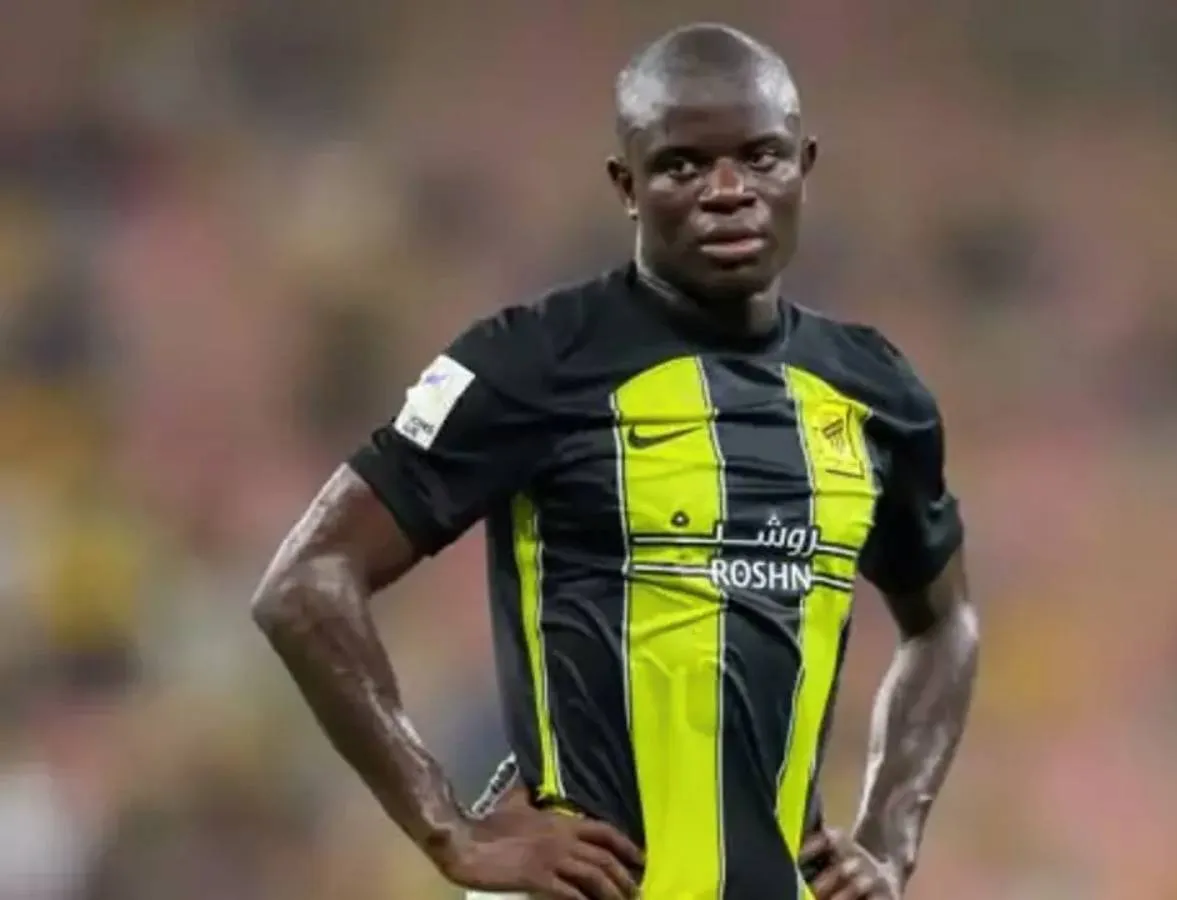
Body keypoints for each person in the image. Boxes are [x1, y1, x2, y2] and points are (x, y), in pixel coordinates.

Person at [250, 22, 979, 900]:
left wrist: (889, 839)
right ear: (625, 185)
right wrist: (450, 829)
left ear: (804, 166)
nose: (727, 192)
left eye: (761, 158)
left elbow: (944, 624)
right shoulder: (532, 361)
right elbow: (307, 580)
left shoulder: (876, 392)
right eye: (682, 166)